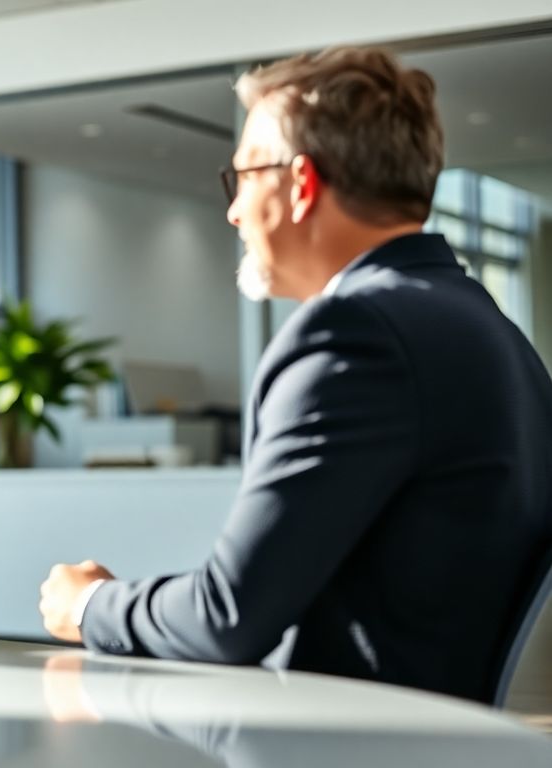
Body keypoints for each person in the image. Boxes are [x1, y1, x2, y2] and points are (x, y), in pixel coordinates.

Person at [38, 46, 552, 702]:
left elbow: (228, 620)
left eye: (244, 177)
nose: (233, 212)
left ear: (301, 184)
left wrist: (91, 605)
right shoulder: (495, 332)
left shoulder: (356, 332)